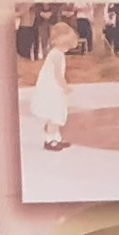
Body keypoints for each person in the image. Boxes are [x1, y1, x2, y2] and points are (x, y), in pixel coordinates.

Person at [31, 16, 78, 151]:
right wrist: (65, 87)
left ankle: (56, 138)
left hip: (54, 88)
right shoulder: (57, 55)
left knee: (57, 114)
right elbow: (57, 75)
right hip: (53, 89)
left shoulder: (56, 53)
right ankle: (49, 140)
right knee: (55, 115)